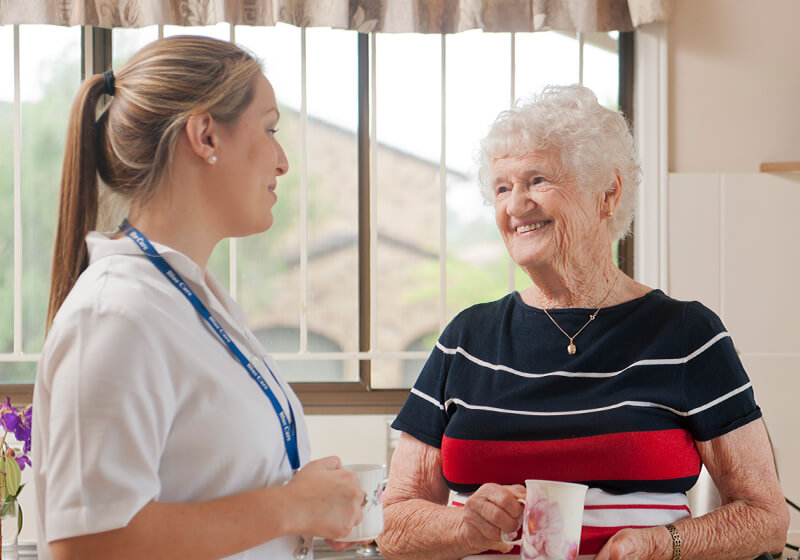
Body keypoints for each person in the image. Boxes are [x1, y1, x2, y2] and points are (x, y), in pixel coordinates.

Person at [377, 85, 789, 560]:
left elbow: (765, 517)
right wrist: (465, 527)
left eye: (537, 181)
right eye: (502, 187)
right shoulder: (465, 340)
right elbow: (392, 522)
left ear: (608, 193)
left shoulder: (686, 335)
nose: (514, 206)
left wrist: (660, 545)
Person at [32, 35, 366, 560]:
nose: (282, 162)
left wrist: (309, 509)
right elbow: (88, 544)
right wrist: (291, 508)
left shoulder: (196, 301)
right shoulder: (115, 313)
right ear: (206, 135)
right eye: (270, 129)